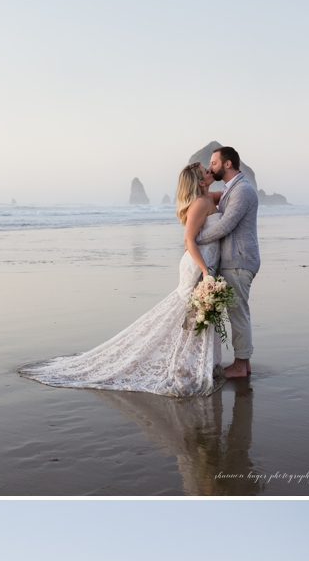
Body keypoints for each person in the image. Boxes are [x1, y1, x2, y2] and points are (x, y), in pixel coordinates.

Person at [20, 162, 225, 396]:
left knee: (198, 313)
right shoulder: (200, 203)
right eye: (206, 171)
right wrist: (206, 270)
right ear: (200, 181)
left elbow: (230, 194)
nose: (210, 170)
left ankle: (196, 361)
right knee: (191, 313)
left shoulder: (209, 197)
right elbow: (188, 241)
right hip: (198, 266)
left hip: (206, 264)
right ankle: (185, 364)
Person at [196, 146, 260, 378]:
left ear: (227, 164)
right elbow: (206, 200)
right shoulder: (230, 190)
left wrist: (196, 239)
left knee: (238, 313)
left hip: (239, 260)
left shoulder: (241, 190)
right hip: (237, 260)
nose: (211, 168)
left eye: (213, 163)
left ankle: (240, 365)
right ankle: (245, 363)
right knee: (239, 312)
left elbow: (226, 224)